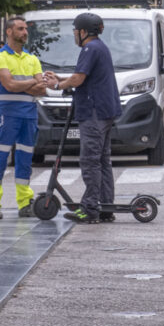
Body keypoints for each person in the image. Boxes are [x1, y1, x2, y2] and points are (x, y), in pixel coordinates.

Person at [49, 13, 123, 224]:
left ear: (83, 32)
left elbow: (79, 79)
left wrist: (56, 85)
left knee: (90, 161)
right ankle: (105, 206)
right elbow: (83, 76)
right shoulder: (100, 47)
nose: (74, 34)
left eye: (75, 30)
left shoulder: (90, 49)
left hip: (93, 113)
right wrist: (61, 79)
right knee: (102, 161)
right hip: (105, 112)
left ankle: (90, 208)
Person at [0, 17, 49, 220]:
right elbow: (10, 85)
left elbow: (43, 89)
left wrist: (25, 83)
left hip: (29, 114)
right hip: (8, 114)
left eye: (26, 29)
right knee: (0, 156)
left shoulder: (33, 58)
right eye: (20, 29)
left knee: (25, 159)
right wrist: (32, 83)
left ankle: (25, 202)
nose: (25, 32)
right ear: (9, 32)